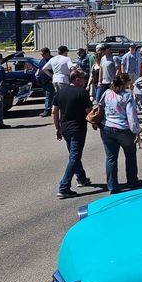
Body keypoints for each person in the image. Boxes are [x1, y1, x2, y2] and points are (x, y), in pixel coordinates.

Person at [52, 69, 92, 198]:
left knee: (74, 154)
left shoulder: (60, 92)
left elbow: (54, 111)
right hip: (78, 128)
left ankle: (81, 178)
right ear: (77, 79)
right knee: (74, 156)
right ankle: (64, 186)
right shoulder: (83, 93)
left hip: (65, 128)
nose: (85, 80)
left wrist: (57, 128)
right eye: (83, 78)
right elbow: (89, 112)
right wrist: (97, 123)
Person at [99, 73, 142, 193]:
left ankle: (112, 186)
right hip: (123, 129)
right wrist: (136, 131)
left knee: (111, 158)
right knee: (130, 154)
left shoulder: (107, 93)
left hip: (107, 127)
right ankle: (132, 180)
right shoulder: (127, 96)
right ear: (126, 83)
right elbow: (132, 117)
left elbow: (100, 106)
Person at [37, 47, 55, 116]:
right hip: (43, 82)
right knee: (48, 96)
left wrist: (52, 78)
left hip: (49, 82)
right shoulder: (42, 60)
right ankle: (51, 109)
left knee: (48, 96)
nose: (42, 55)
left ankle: (47, 110)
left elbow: (54, 70)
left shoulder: (52, 60)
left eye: (43, 54)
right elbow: (39, 69)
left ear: (47, 53)